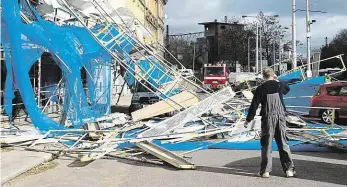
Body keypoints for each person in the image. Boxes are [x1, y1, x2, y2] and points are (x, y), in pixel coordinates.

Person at [244, 67, 295, 178]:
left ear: (263, 77)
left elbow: (254, 105)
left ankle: (265, 171)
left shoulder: (260, 88)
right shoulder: (279, 85)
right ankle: (289, 170)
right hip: (280, 117)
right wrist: (278, 80)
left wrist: (248, 119)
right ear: (273, 75)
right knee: (283, 142)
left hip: (267, 118)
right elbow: (288, 89)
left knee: (266, 144)